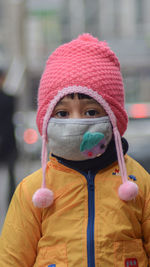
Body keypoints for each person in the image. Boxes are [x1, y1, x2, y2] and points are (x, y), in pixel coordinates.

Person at [0, 33, 150, 267]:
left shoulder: (139, 183)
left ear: (113, 118)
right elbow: (11, 259)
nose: (76, 122)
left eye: (91, 112)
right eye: (62, 113)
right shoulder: (33, 190)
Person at [0, 69, 17, 205]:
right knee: (11, 174)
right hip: (9, 141)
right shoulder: (10, 99)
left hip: (8, 142)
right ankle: (11, 202)